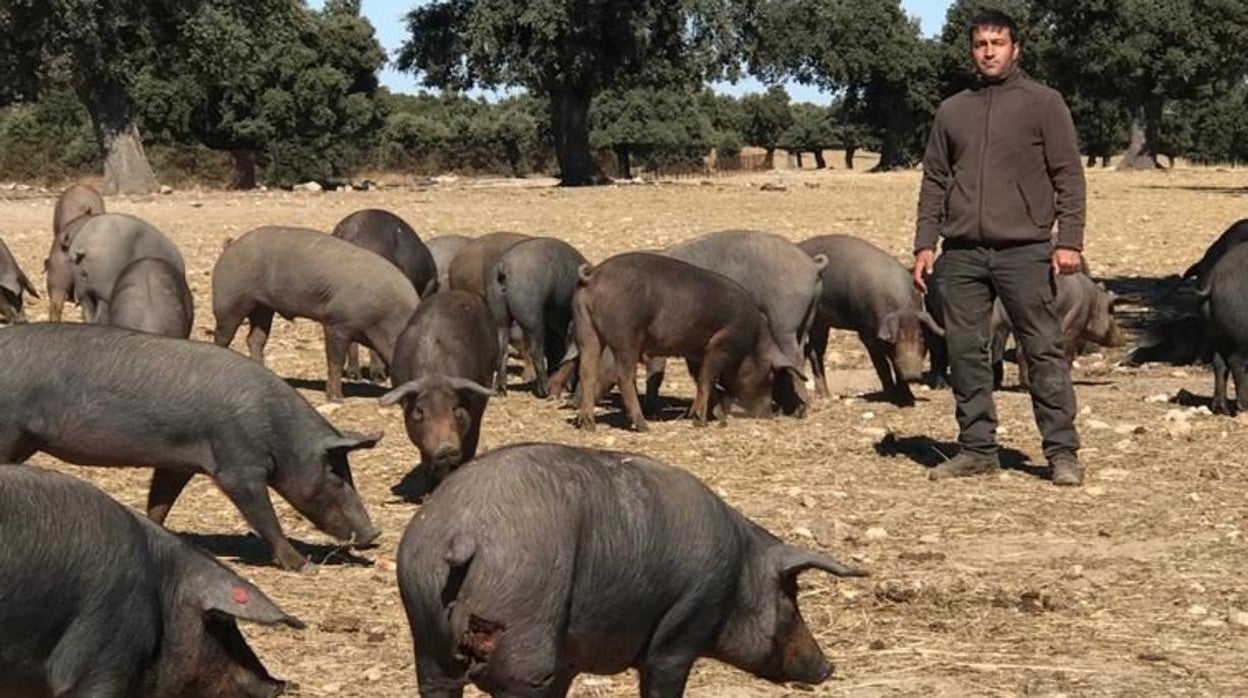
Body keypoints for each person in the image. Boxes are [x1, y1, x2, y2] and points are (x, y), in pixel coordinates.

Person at [912, 9, 1087, 486]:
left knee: (1043, 349)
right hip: (963, 251)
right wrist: (925, 242)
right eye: (980, 44)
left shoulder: (1044, 104)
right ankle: (977, 448)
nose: (988, 51)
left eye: (997, 43)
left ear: (1016, 49)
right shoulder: (953, 110)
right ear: (971, 50)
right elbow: (934, 179)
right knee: (967, 351)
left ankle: (1062, 453)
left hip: (1025, 250)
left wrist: (1068, 239)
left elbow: (1068, 175)